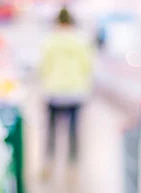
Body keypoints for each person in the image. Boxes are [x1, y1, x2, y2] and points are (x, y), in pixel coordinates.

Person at [40, 7, 94, 179]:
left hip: (53, 91)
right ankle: (72, 167)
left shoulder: (50, 40)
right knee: (73, 131)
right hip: (76, 91)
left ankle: (48, 164)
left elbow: (43, 66)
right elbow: (88, 65)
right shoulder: (81, 40)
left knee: (51, 129)